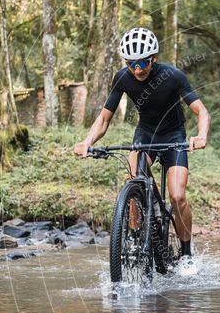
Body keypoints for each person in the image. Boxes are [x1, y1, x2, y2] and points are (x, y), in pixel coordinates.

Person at [73, 27, 210, 276]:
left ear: (153, 59)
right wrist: (86, 141)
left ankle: (187, 254)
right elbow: (104, 119)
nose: (137, 69)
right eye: (132, 63)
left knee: (178, 196)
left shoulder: (172, 75)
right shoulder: (122, 77)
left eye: (143, 62)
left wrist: (201, 136)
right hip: (145, 134)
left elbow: (201, 111)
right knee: (133, 176)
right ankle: (138, 231)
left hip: (173, 136)